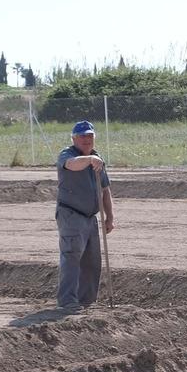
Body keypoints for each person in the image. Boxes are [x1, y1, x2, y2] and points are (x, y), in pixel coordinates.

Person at [55, 120, 115, 312]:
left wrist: (110, 217)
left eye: (89, 136)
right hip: (71, 214)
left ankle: (87, 301)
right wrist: (89, 160)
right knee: (72, 257)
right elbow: (72, 165)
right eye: (82, 136)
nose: (86, 140)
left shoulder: (97, 158)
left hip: (90, 217)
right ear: (74, 139)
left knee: (91, 260)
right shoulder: (68, 155)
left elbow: (105, 190)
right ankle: (68, 301)